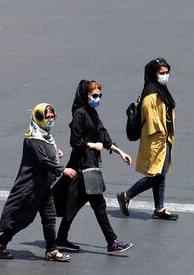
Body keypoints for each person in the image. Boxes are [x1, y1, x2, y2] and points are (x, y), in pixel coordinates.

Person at [52, 80, 133, 254]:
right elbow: (75, 141)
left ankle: (60, 238)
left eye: (99, 96)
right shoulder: (79, 113)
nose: (97, 99)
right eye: (94, 95)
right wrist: (91, 145)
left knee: (74, 204)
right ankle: (112, 242)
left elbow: (104, 137)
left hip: (90, 165)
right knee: (98, 204)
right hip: (83, 166)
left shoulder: (93, 113)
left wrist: (120, 152)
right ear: (85, 95)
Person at [0, 103, 76, 262]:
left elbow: (46, 155)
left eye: (52, 117)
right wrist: (62, 169)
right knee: (23, 218)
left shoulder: (45, 134)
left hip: (44, 186)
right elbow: (42, 160)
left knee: (49, 217)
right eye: (47, 117)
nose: (50, 120)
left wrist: (56, 154)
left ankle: (51, 250)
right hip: (31, 186)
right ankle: (1, 242)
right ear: (38, 118)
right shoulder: (33, 137)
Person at [117, 58, 178, 220]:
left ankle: (159, 208)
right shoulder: (151, 92)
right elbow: (151, 117)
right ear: (153, 74)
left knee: (161, 174)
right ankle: (126, 195)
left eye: (166, 72)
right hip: (156, 140)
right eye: (161, 73)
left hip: (163, 139)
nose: (165, 75)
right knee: (157, 175)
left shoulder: (161, 89)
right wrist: (161, 134)